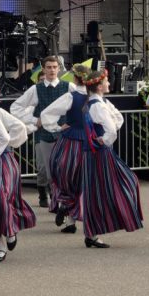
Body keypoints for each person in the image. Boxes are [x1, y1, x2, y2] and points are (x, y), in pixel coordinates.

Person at [76, 68, 143, 249]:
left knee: (97, 191)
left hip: (95, 152)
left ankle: (91, 233)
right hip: (99, 153)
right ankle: (94, 232)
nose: (109, 83)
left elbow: (118, 119)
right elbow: (112, 129)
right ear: (99, 86)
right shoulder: (97, 105)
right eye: (106, 81)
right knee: (123, 183)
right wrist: (105, 140)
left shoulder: (98, 102)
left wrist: (105, 137)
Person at [0, 79, 37, 262]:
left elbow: (19, 127)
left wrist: (6, 143)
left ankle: (10, 229)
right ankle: (0, 245)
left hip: (3, 161)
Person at [38, 64, 92, 234]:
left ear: (75, 78)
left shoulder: (71, 96)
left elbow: (46, 113)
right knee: (83, 181)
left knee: (65, 177)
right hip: (89, 142)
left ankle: (67, 212)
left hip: (70, 141)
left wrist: (56, 127)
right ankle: (73, 220)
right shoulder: (94, 98)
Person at [9, 55, 69, 208]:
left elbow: (81, 103)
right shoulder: (36, 89)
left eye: (54, 67)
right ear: (43, 69)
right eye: (49, 67)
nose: (52, 70)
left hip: (63, 134)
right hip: (44, 134)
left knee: (61, 169)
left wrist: (73, 122)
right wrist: (35, 120)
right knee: (44, 169)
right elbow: (15, 107)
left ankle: (58, 201)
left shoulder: (68, 87)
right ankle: (44, 193)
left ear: (59, 68)